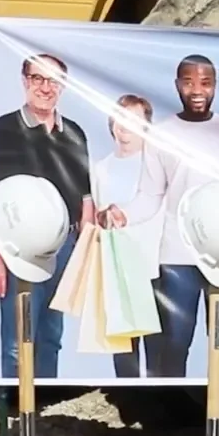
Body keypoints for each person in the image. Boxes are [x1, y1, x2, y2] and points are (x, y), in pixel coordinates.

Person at [107, 54, 219, 378]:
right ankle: (174, 416)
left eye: (205, 83)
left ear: (215, 87)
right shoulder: (162, 134)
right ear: (177, 85)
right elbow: (151, 194)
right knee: (175, 342)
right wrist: (122, 213)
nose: (197, 90)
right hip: (177, 255)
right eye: (188, 82)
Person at [0, 52, 95, 378]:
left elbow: (86, 199)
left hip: (66, 246)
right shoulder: (4, 129)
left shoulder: (75, 133)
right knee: (18, 337)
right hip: (20, 245)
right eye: (38, 78)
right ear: (25, 82)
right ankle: (18, 408)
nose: (45, 88)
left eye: (53, 81)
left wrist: (85, 253)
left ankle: (46, 406)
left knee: (51, 334)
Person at [92, 93, 162, 378]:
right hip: (117, 267)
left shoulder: (156, 162)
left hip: (154, 266)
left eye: (134, 119)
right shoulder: (100, 168)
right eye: (120, 117)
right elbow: (97, 214)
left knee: (159, 348)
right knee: (124, 350)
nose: (125, 125)